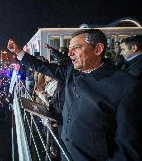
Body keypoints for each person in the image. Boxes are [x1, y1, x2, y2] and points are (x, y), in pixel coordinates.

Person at [7, 29, 142, 161]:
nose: (70, 53)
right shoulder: (72, 71)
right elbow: (43, 67)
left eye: (76, 48)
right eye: (69, 48)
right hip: (64, 151)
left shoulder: (127, 87)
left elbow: (129, 150)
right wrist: (19, 52)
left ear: (98, 49)